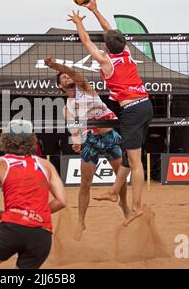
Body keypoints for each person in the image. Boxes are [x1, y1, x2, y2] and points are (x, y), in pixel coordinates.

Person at [68, 0, 154, 226]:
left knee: (136, 163)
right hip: (146, 106)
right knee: (128, 156)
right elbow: (111, 32)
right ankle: (114, 191)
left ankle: (136, 208)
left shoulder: (107, 62)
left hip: (133, 111)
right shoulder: (126, 54)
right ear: (122, 43)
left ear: (107, 47)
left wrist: (79, 23)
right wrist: (96, 10)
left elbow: (87, 42)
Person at [44, 57, 130, 240]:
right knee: (85, 184)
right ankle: (81, 221)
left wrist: (54, 66)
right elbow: (74, 129)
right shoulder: (67, 108)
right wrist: (76, 141)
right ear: (60, 86)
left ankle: (124, 206)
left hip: (109, 137)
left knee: (121, 178)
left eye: (69, 77)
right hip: (90, 141)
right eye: (63, 78)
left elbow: (75, 73)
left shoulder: (85, 88)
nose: (68, 78)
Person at [0, 119, 66, 269]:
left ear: (5, 139)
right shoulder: (46, 165)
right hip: (41, 234)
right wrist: (34, 214)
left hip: (12, 228)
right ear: (32, 140)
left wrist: (16, 215)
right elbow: (62, 201)